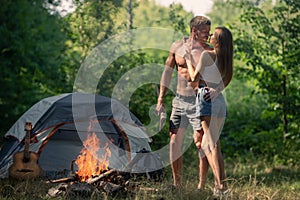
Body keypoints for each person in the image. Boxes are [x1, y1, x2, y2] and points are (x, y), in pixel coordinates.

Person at [156, 16, 212, 189]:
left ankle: (201, 186)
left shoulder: (208, 50)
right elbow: (167, 72)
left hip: (198, 101)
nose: (208, 36)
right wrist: (160, 99)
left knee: (200, 143)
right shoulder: (177, 47)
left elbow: (221, 75)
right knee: (174, 142)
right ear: (194, 31)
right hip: (179, 100)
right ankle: (177, 184)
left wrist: (216, 90)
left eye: (209, 33)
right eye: (205, 33)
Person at [185, 26, 233, 195]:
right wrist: (218, 90)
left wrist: (189, 59)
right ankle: (218, 185)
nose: (210, 36)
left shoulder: (207, 56)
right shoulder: (226, 59)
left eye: (213, 35)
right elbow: (227, 79)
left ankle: (222, 188)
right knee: (209, 144)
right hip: (219, 100)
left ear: (217, 41)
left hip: (206, 98)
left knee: (212, 145)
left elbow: (193, 78)